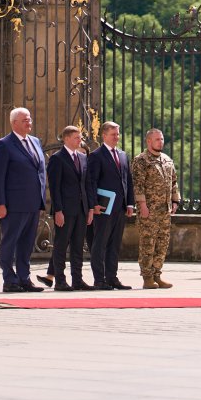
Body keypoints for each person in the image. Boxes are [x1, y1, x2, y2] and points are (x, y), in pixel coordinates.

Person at [0, 107, 47, 293]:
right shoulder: (4, 145)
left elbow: (40, 172)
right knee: (10, 241)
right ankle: (9, 279)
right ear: (14, 123)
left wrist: (41, 201)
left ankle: (24, 278)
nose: (29, 122)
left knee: (27, 243)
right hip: (13, 204)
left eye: (30, 119)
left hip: (32, 203)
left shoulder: (35, 142)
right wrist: (0, 203)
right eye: (25, 120)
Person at [36, 126, 92, 291]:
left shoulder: (82, 158)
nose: (79, 140)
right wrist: (58, 211)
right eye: (76, 137)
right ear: (66, 138)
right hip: (65, 210)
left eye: (79, 137)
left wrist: (89, 209)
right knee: (61, 245)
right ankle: (60, 280)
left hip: (81, 209)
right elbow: (55, 187)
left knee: (77, 246)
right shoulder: (57, 158)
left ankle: (77, 279)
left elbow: (86, 185)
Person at [85, 121, 136, 290]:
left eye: (118, 134)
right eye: (113, 134)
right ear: (104, 135)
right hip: (104, 207)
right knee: (100, 244)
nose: (117, 137)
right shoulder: (96, 156)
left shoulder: (122, 155)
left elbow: (127, 180)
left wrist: (130, 203)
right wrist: (93, 204)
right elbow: (91, 182)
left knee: (114, 244)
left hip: (120, 207)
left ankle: (112, 277)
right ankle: (99, 279)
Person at [131, 128, 180, 289]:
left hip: (164, 210)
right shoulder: (141, 161)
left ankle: (157, 274)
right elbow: (138, 185)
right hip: (149, 210)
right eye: (157, 139)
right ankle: (147, 277)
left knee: (162, 243)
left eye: (162, 139)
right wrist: (142, 206)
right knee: (148, 243)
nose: (161, 142)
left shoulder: (167, 160)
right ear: (149, 141)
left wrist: (175, 201)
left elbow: (173, 182)